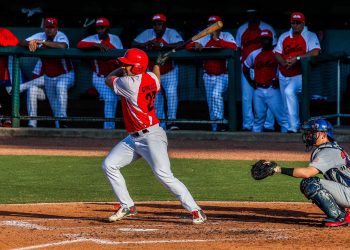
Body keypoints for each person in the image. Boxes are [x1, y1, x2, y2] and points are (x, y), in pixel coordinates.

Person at [103, 48, 207, 224]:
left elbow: (107, 79)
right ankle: (127, 205)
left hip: (151, 137)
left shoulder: (129, 84)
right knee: (109, 165)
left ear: (136, 68)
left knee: (164, 175)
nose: (124, 67)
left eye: (128, 65)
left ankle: (196, 210)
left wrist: (120, 69)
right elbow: (156, 78)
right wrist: (158, 65)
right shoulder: (150, 77)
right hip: (134, 138)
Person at [260, 118, 350, 227]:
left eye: (312, 133)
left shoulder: (328, 152)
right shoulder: (333, 149)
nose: (308, 136)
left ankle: (339, 217)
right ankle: (344, 213)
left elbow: (307, 173)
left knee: (310, 183)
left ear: (323, 135)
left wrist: (277, 169)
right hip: (347, 191)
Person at [19, 17, 74, 128]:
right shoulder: (40, 36)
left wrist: (43, 42)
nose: (49, 30)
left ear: (56, 28)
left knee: (60, 86)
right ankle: (55, 126)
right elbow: (22, 42)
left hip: (66, 75)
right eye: (47, 27)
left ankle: (63, 119)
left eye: (52, 27)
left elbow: (62, 46)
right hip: (49, 78)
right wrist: (32, 42)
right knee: (54, 104)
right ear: (44, 28)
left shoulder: (61, 35)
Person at [131, 13, 184, 130]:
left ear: (164, 25)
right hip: (152, 72)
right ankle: (160, 123)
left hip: (169, 71)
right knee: (156, 98)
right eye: (155, 24)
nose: (157, 27)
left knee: (171, 95)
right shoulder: (147, 33)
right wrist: (145, 44)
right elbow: (133, 44)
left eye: (159, 24)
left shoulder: (171, 33)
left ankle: (171, 121)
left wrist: (161, 45)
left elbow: (181, 44)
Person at [186, 15, 237, 132]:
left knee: (215, 95)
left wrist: (217, 40)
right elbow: (188, 44)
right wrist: (195, 45)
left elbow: (234, 47)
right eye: (209, 24)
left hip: (222, 75)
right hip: (207, 75)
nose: (211, 27)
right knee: (211, 103)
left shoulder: (227, 35)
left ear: (219, 25)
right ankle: (216, 130)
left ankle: (220, 121)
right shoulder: (203, 37)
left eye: (214, 24)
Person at [274, 12, 321, 133]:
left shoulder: (310, 35)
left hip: (300, 75)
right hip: (284, 74)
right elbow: (277, 53)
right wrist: (284, 62)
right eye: (293, 22)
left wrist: (298, 58)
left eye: (298, 23)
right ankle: (287, 131)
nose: (295, 25)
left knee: (289, 92)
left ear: (303, 23)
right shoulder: (284, 36)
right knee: (285, 105)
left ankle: (294, 127)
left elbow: (315, 52)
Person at [77, 17, 123, 129]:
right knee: (109, 99)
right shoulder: (92, 39)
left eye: (102, 28)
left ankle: (113, 126)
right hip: (99, 77)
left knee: (117, 100)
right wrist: (96, 45)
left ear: (107, 29)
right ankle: (108, 128)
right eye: (98, 28)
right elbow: (80, 44)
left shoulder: (115, 39)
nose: (100, 30)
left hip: (114, 76)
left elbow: (122, 57)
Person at [236, 9, 276, 131]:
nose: (252, 16)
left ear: (258, 14)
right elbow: (238, 48)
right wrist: (242, 61)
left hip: (265, 67)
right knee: (247, 97)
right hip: (247, 67)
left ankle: (268, 125)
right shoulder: (242, 29)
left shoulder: (267, 28)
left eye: (254, 13)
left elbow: (274, 48)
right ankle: (248, 124)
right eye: (249, 13)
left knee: (269, 96)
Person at [243, 30, 288, 133]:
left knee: (282, 119)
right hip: (258, 90)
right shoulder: (254, 54)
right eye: (263, 39)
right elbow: (245, 68)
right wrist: (251, 82)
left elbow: (284, 68)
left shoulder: (276, 54)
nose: (265, 41)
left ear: (271, 40)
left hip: (272, 89)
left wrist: (278, 80)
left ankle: (287, 143)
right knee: (258, 119)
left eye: (267, 39)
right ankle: (254, 146)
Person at [7, 59, 46, 128]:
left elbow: (47, 78)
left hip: (58, 87)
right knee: (32, 89)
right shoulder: (40, 60)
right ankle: (32, 122)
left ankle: (19, 88)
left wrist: (22, 87)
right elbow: (35, 77)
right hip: (43, 92)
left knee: (49, 79)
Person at [0, 28, 20, 127]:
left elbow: (16, 42)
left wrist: (2, 42)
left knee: (6, 96)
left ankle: (7, 119)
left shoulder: (3, 32)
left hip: (3, 73)